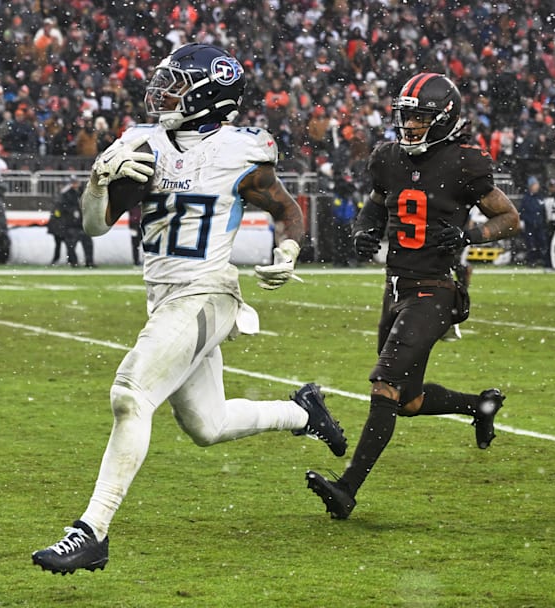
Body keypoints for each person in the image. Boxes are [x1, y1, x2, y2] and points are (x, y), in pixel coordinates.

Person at [31, 43, 348, 574]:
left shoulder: (239, 151)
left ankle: (92, 531)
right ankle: (304, 412)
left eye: (176, 84)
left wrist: (289, 249)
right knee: (208, 424)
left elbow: (287, 209)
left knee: (130, 395)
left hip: (209, 292)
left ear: (208, 95)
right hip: (165, 297)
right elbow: (94, 225)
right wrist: (96, 183)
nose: (162, 93)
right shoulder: (143, 144)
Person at [304, 72, 519, 520]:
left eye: (420, 117)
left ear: (444, 118)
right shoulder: (389, 158)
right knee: (408, 400)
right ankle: (482, 405)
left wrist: (470, 235)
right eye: (406, 116)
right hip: (396, 288)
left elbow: (509, 218)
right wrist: (364, 231)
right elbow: (375, 206)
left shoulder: (464, 162)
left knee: (385, 385)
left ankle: (346, 489)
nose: (410, 125)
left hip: (435, 290)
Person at [48, 177, 94, 267]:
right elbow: (59, 211)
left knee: (85, 243)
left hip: (79, 225)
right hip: (69, 225)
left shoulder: (80, 193)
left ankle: (88, 262)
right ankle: (72, 262)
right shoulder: (65, 195)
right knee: (69, 245)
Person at [519, 176, 546, 267]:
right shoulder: (526, 198)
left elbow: (543, 211)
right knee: (531, 244)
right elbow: (522, 211)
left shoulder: (540, 197)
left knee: (541, 242)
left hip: (539, 224)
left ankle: (541, 259)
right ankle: (532, 261)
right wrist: (525, 220)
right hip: (530, 225)